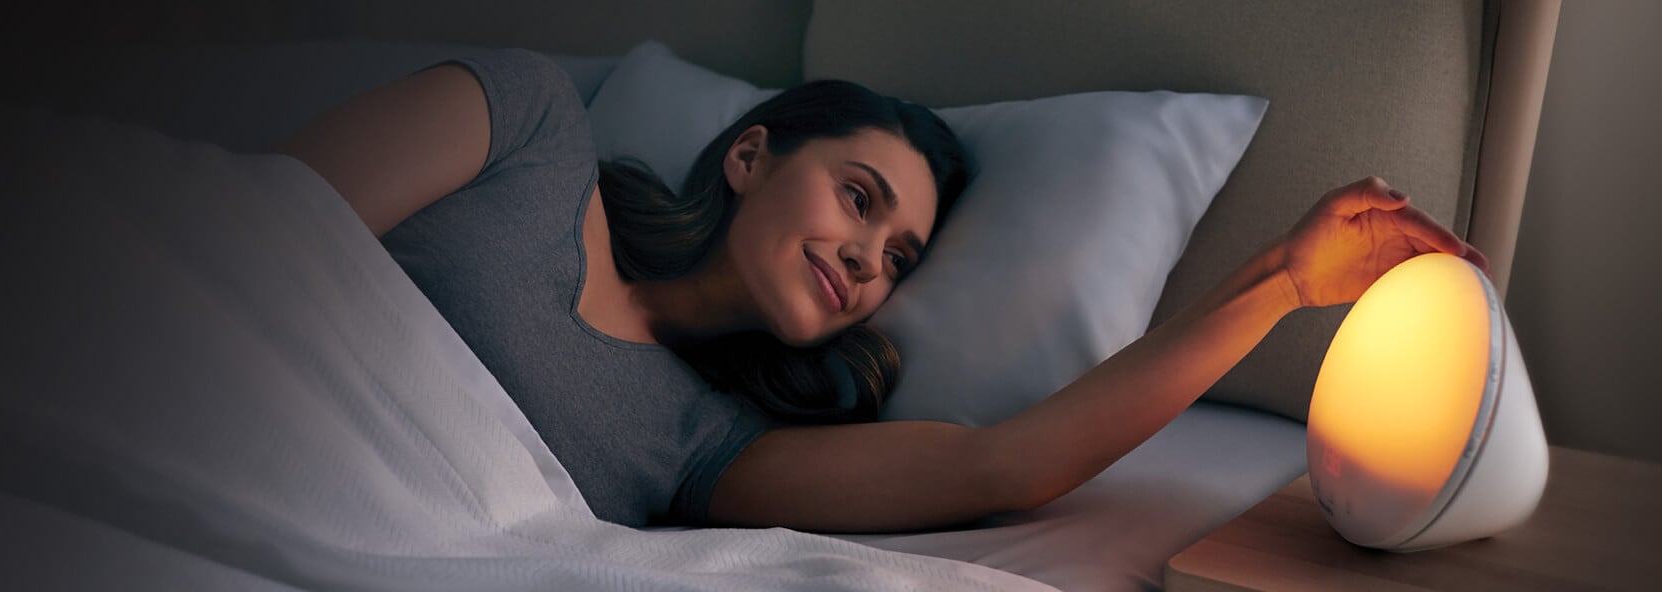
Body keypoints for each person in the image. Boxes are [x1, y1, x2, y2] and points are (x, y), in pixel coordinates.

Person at [281, 49, 1489, 532]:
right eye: (861, 200)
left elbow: (1000, 467)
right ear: (751, 156)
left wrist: (1281, 281)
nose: (870, 264)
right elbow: (242, 224)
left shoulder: (709, 447)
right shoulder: (529, 119)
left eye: (900, 260)